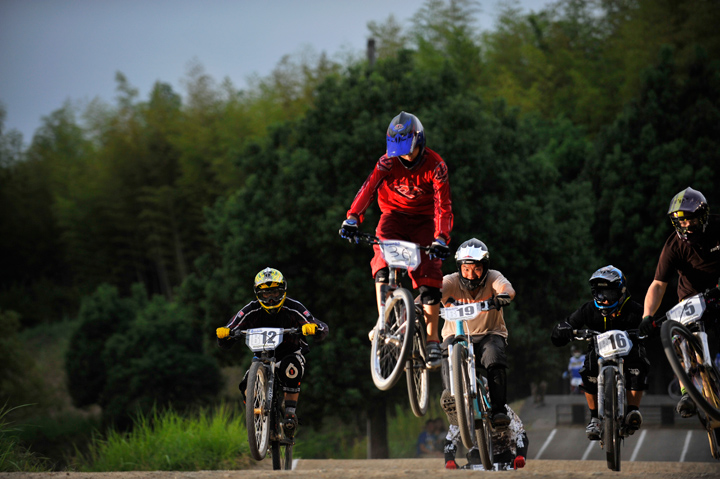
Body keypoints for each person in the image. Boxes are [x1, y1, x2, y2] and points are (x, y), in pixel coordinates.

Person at [338, 111, 453, 369]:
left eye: (409, 150)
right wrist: (353, 218)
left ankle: (433, 340)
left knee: (430, 274)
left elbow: (443, 206)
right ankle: (384, 321)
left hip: (425, 222)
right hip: (393, 217)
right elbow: (367, 189)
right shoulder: (387, 163)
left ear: (420, 142)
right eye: (399, 151)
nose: (405, 156)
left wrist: (441, 238)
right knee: (381, 257)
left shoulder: (437, 166)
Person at [216, 267, 329, 434]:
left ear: (283, 291)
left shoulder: (294, 307)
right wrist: (225, 333)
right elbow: (231, 326)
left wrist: (312, 328)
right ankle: (256, 419)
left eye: (275, 293)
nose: (270, 299)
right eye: (265, 294)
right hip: (261, 358)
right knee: (247, 387)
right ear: (258, 295)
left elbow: (317, 324)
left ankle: (290, 412)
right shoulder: (251, 309)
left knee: (291, 368)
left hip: (290, 354)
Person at [639, 187, 720, 418]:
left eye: (689, 220)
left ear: (702, 217)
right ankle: (688, 392)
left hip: (718, 290)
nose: (684, 226)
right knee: (681, 338)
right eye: (679, 222)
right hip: (691, 298)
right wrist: (647, 316)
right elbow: (657, 285)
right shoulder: (673, 245)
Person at [551, 265, 649, 440]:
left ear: (621, 292)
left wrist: (649, 325)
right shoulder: (588, 309)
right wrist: (564, 329)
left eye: (609, 294)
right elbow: (568, 324)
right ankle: (595, 417)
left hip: (629, 351)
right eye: (599, 294)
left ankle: (633, 411)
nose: (603, 299)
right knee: (588, 368)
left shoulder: (634, 309)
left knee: (639, 363)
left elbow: (650, 323)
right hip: (598, 353)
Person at [439, 238, 515, 429]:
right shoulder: (450, 281)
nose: (471, 275)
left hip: (489, 334)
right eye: (466, 269)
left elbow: (507, 288)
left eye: (477, 269)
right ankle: (452, 398)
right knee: (447, 352)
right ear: (459, 268)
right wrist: (417, 304)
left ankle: (499, 410)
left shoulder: (493, 277)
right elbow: (434, 293)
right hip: (455, 336)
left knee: (493, 354)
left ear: (485, 267)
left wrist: (503, 297)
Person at [442, 401, 528, 470]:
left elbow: (520, 432)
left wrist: (520, 455)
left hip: (505, 455)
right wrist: (449, 460)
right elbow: (451, 438)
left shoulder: (503, 409)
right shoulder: (463, 413)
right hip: (477, 456)